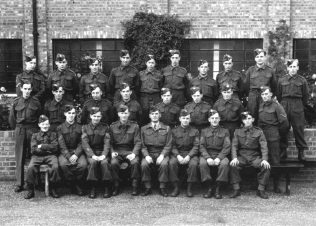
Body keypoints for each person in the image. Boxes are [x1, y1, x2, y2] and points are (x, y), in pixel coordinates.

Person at [9, 80, 42, 193]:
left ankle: (36, 182)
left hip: (32, 130)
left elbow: (39, 117)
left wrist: (36, 131)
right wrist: (18, 129)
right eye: (25, 89)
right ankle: (19, 184)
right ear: (21, 89)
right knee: (20, 157)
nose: (27, 91)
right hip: (20, 130)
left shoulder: (36, 102)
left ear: (31, 90)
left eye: (29, 89)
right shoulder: (16, 101)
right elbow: (12, 118)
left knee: (35, 155)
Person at [230, 111, 271, 199]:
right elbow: (234, 146)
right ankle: (236, 189)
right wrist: (234, 158)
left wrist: (264, 159)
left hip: (254, 156)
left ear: (253, 120)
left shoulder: (259, 132)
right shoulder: (237, 131)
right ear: (242, 121)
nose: (247, 121)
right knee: (232, 165)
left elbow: (264, 146)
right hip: (242, 156)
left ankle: (261, 190)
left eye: (249, 118)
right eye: (245, 119)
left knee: (265, 166)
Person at [277, 59, 309, 161]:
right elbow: (278, 95)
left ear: (298, 68)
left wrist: (299, 105)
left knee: (299, 128)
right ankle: (283, 151)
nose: (292, 69)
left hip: (297, 104)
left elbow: (305, 96)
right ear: (287, 68)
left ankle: (301, 152)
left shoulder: (302, 80)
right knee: (283, 128)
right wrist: (282, 106)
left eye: (294, 67)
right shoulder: (281, 80)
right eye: (290, 67)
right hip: (284, 104)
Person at [258, 86, 288, 192]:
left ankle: (276, 185)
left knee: (275, 161)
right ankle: (263, 184)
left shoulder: (277, 106)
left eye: (266, 94)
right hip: (262, 136)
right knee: (263, 160)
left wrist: (278, 134)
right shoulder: (260, 106)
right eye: (263, 94)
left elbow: (284, 123)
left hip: (273, 136)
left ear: (271, 94)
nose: (265, 96)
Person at [24, 115, 60, 199]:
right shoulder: (35, 135)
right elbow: (33, 149)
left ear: (49, 125)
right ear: (39, 125)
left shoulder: (53, 134)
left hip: (51, 156)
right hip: (37, 156)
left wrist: (42, 146)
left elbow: (55, 147)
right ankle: (30, 190)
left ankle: (53, 188)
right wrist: (47, 149)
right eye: (43, 124)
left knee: (55, 167)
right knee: (31, 167)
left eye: (47, 124)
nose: (45, 126)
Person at [109, 104, 141, 196]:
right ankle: (116, 185)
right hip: (117, 151)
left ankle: (134, 185)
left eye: (125, 113)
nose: (124, 115)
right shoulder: (112, 126)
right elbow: (109, 142)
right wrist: (112, 152)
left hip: (130, 150)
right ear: (118, 114)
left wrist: (134, 154)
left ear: (129, 114)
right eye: (122, 113)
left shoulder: (135, 126)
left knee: (135, 162)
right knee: (114, 163)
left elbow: (138, 142)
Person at [140, 106, 172, 197]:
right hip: (149, 152)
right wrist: (146, 156)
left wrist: (162, 155)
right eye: (152, 114)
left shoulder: (167, 128)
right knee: (144, 164)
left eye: (156, 114)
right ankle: (148, 187)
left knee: (164, 164)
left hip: (162, 152)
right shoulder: (143, 128)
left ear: (160, 115)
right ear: (149, 116)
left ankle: (162, 187)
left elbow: (168, 145)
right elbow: (142, 145)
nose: (154, 116)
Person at [199, 110, 231, 199]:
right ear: (209, 119)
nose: (214, 120)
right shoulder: (204, 131)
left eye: (216, 118)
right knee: (202, 163)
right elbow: (201, 146)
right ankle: (209, 187)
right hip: (207, 154)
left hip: (220, 154)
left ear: (219, 119)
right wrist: (208, 158)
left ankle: (218, 187)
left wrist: (219, 158)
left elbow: (227, 146)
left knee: (224, 164)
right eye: (212, 118)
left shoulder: (225, 131)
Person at [82, 107, 112, 198]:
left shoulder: (106, 127)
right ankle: (93, 187)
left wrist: (104, 155)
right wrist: (92, 155)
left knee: (105, 163)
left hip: (102, 151)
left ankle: (107, 186)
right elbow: (85, 143)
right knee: (92, 163)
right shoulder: (85, 128)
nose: (96, 118)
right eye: (94, 116)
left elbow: (107, 143)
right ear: (91, 116)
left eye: (98, 116)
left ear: (101, 117)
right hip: (91, 152)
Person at [57, 105, 87, 196]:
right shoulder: (60, 128)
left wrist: (76, 154)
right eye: (69, 113)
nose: (71, 115)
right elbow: (61, 144)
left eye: (73, 113)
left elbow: (82, 142)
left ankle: (77, 183)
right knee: (63, 164)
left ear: (76, 114)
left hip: (77, 151)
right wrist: (69, 156)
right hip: (65, 152)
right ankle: (71, 183)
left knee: (83, 165)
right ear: (65, 114)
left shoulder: (81, 127)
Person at [168, 109, 199, 197]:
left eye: (187, 118)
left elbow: (196, 146)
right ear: (180, 119)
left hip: (190, 154)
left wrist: (189, 156)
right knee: (172, 163)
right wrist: (178, 156)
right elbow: (172, 145)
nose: (185, 120)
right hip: (177, 153)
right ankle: (176, 187)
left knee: (193, 164)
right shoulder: (174, 131)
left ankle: (189, 188)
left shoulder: (195, 131)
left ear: (190, 120)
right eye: (183, 118)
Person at [244, 49, 277, 122]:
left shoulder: (270, 70)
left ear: (265, 58)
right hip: (253, 96)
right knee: (252, 116)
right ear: (255, 58)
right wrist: (248, 96)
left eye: (261, 56)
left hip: (265, 96)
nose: (259, 58)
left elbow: (274, 85)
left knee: (265, 115)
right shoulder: (250, 70)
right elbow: (246, 85)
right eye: (257, 56)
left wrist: (271, 96)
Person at [139, 54, 163, 125]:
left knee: (156, 114)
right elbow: (138, 86)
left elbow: (161, 86)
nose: (151, 65)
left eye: (152, 63)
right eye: (149, 62)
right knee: (144, 115)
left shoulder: (159, 74)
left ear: (155, 64)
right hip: (144, 97)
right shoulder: (141, 74)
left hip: (156, 97)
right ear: (146, 63)